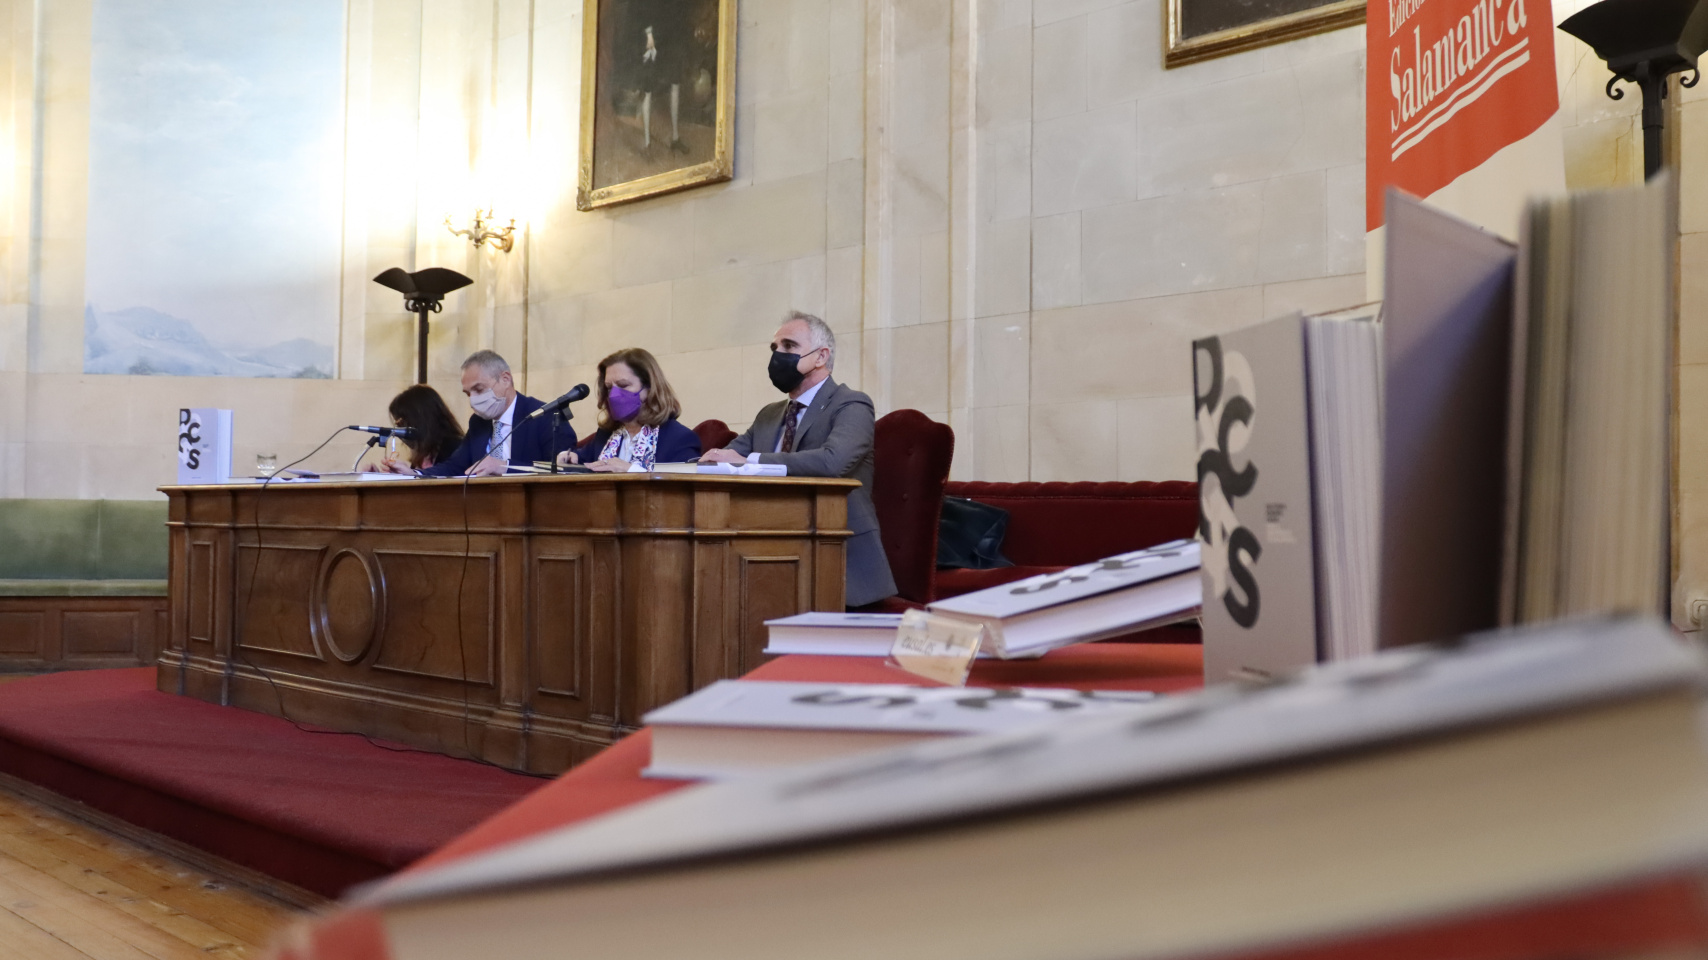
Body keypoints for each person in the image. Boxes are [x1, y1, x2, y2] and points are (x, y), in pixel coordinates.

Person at [701, 311, 897, 607]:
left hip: (837, 555)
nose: (778, 355)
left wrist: (750, 460)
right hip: (765, 550)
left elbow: (832, 462)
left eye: (789, 346)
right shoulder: (769, 414)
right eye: (774, 348)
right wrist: (640, 467)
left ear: (821, 356)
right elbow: (723, 458)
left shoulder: (852, 403)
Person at [415, 350, 578, 478]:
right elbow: (456, 466)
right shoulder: (478, 422)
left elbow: (561, 469)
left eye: (479, 389)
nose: (473, 400)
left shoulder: (544, 416)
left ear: (505, 379)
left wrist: (505, 467)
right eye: (468, 394)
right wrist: (415, 474)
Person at [555, 348, 701, 472]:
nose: (614, 395)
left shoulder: (680, 439)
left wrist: (631, 470)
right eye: (609, 387)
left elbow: (682, 488)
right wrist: (570, 457)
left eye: (623, 385)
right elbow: (582, 458)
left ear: (650, 388)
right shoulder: (606, 436)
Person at [368, 384, 464, 474]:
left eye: (402, 423)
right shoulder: (424, 454)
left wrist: (411, 474)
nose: (400, 430)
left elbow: (445, 483)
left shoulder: (456, 448)